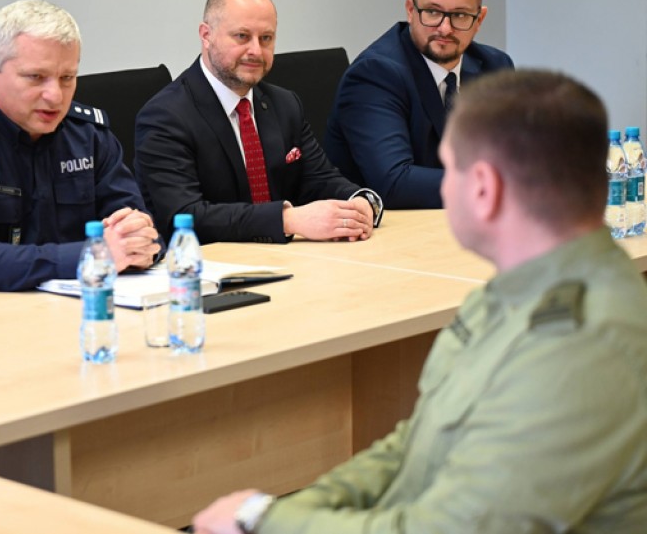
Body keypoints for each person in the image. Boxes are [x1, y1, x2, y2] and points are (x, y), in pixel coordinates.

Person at [193, 69, 647, 533]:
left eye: (451, 170)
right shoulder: (515, 292)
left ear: (485, 189)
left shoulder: (584, 342)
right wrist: (280, 512)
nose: (445, 188)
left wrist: (268, 522)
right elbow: (417, 443)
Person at [0, 0, 160, 300]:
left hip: (66, 307)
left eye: (67, 78)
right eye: (36, 77)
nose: (55, 96)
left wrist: (141, 242)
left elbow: (141, 229)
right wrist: (95, 254)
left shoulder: (88, 134)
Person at [134, 0, 382, 244]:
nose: (255, 51)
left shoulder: (285, 104)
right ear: (206, 35)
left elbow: (320, 179)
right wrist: (287, 220)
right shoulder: (165, 116)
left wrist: (360, 202)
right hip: (210, 263)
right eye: (242, 36)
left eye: (266, 38)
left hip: (286, 258)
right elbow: (185, 215)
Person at [324, 0, 514, 209]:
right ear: (411, 10)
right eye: (433, 12)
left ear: (479, 20)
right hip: (386, 226)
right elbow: (394, 182)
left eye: (459, 15)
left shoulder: (494, 67)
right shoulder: (375, 74)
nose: (445, 28)